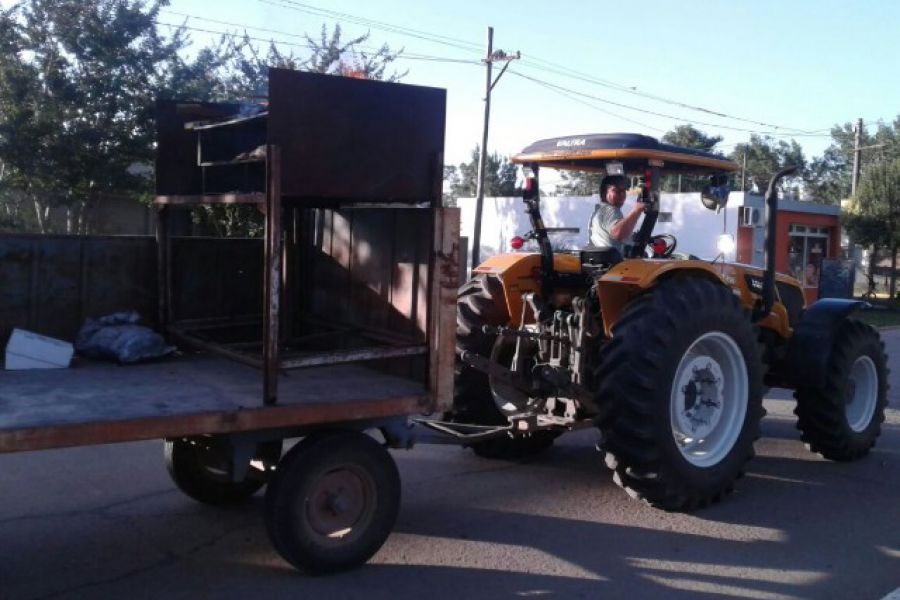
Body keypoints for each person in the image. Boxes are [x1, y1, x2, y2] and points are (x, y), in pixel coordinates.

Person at [589, 175, 647, 255]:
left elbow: (615, 236)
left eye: (623, 191)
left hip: (605, 262)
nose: (622, 194)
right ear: (604, 193)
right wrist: (636, 209)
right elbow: (618, 233)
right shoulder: (609, 210)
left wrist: (631, 238)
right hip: (614, 264)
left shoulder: (598, 211)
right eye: (616, 191)